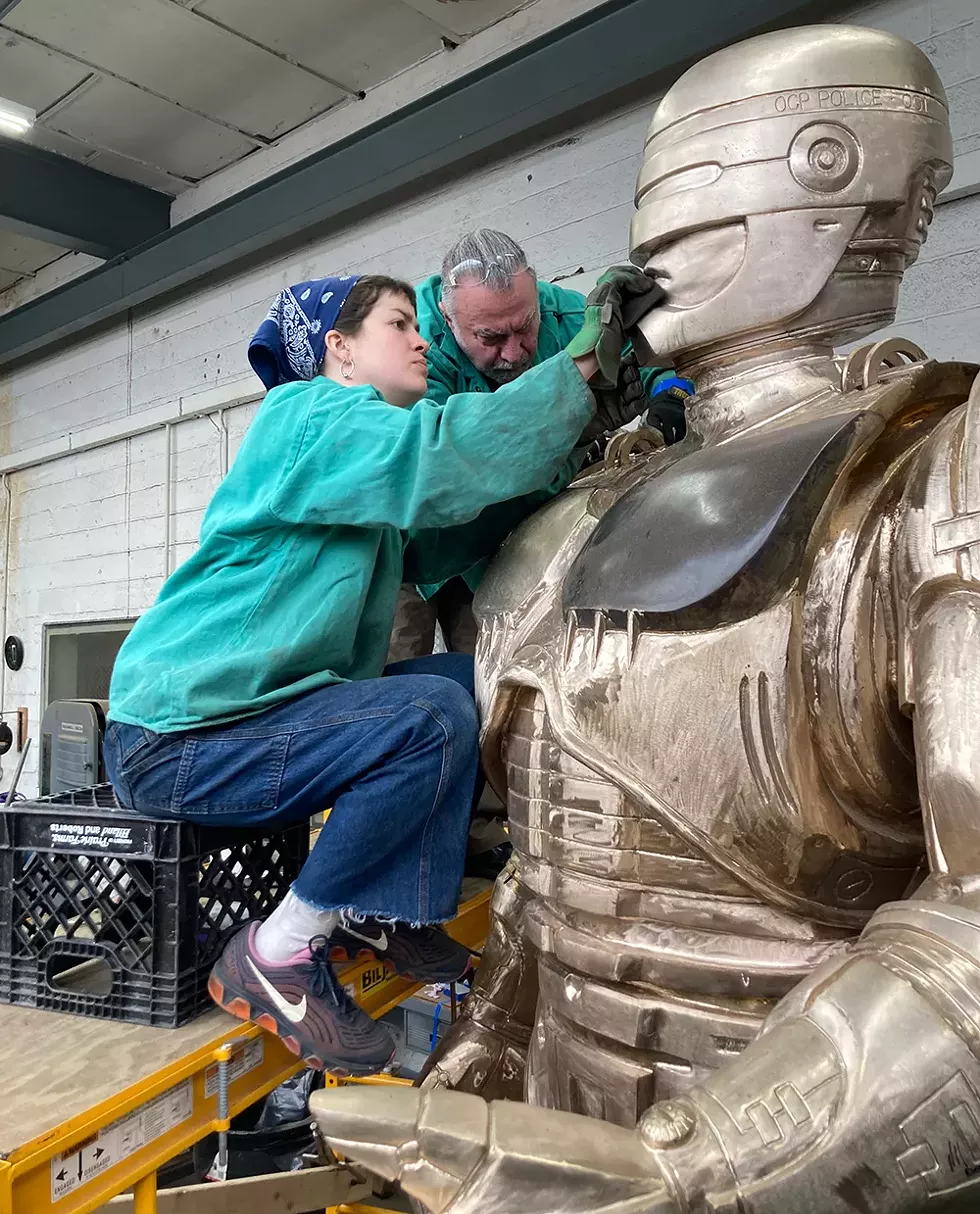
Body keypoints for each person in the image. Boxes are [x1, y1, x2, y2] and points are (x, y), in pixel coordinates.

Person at [103, 268, 657, 1075]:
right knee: (426, 719)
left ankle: (385, 907)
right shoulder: (310, 416)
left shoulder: (359, 467)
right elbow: (442, 462)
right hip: (180, 739)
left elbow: (456, 522)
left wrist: (578, 443)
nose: (422, 337)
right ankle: (278, 952)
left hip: (245, 725)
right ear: (339, 348)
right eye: (400, 323)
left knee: (467, 678)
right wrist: (573, 373)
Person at [387, 229, 692, 662]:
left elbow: (659, 367)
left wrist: (668, 408)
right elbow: (454, 469)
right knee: (402, 672)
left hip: (494, 532)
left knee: (488, 662)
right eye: (490, 338)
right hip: (413, 539)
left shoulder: (569, 316)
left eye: (525, 327)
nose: (514, 353)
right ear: (448, 317)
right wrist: (568, 431)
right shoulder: (410, 351)